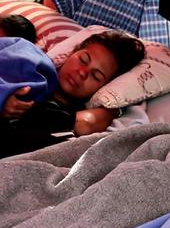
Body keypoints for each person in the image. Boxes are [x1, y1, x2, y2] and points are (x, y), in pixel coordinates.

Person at [1, 30, 145, 158]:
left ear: (105, 86)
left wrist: (113, 110)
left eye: (96, 76)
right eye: (83, 59)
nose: (82, 72)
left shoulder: (67, 118)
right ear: (73, 52)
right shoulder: (31, 63)